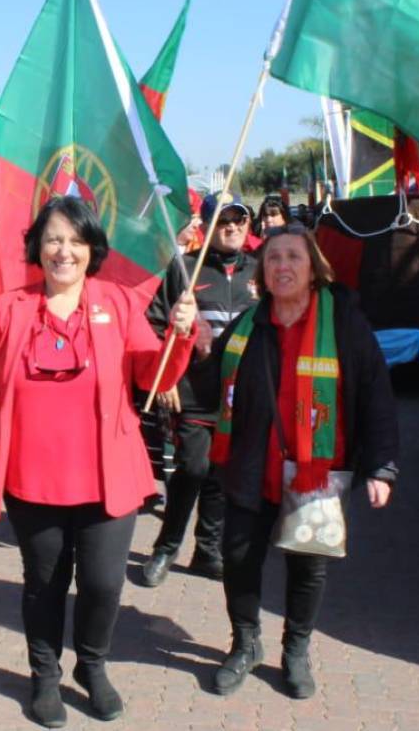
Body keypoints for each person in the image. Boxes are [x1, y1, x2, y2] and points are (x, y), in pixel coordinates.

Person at [0, 197, 200, 727]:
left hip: (110, 476)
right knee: (44, 584)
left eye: (76, 241)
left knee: (105, 583)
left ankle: (92, 665)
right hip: (33, 477)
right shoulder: (10, 308)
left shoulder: (119, 301)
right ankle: (44, 675)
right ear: (38, 248)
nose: (65, 251)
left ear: (93, 250)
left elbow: (154, 374)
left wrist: (180, 336)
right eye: (54, 240)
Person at [191, 222, 398, 700]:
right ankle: (244, 644)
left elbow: (376, 394)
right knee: (239, 560)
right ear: (262, 269)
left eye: (293, 257)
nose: (283, 266)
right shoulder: (249, 323)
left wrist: (383, 465)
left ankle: (296, 649)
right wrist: (196, 345)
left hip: (315, 471)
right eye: (274, 258)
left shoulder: (343, 322)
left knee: (308, 565)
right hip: (249, 467)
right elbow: (205, 388)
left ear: (313, 268)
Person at [140, 193, 259, 588]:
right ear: (205, 227)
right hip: (193, 392)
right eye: (222, 220)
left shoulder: (259, 272)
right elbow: (155, 324)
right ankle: (166, 545)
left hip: (240, 397)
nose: (232, 227)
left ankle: (207, 551)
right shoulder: (183, 269)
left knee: (221, 475)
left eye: (239, 220)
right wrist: (165, 376)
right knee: (192, 468)